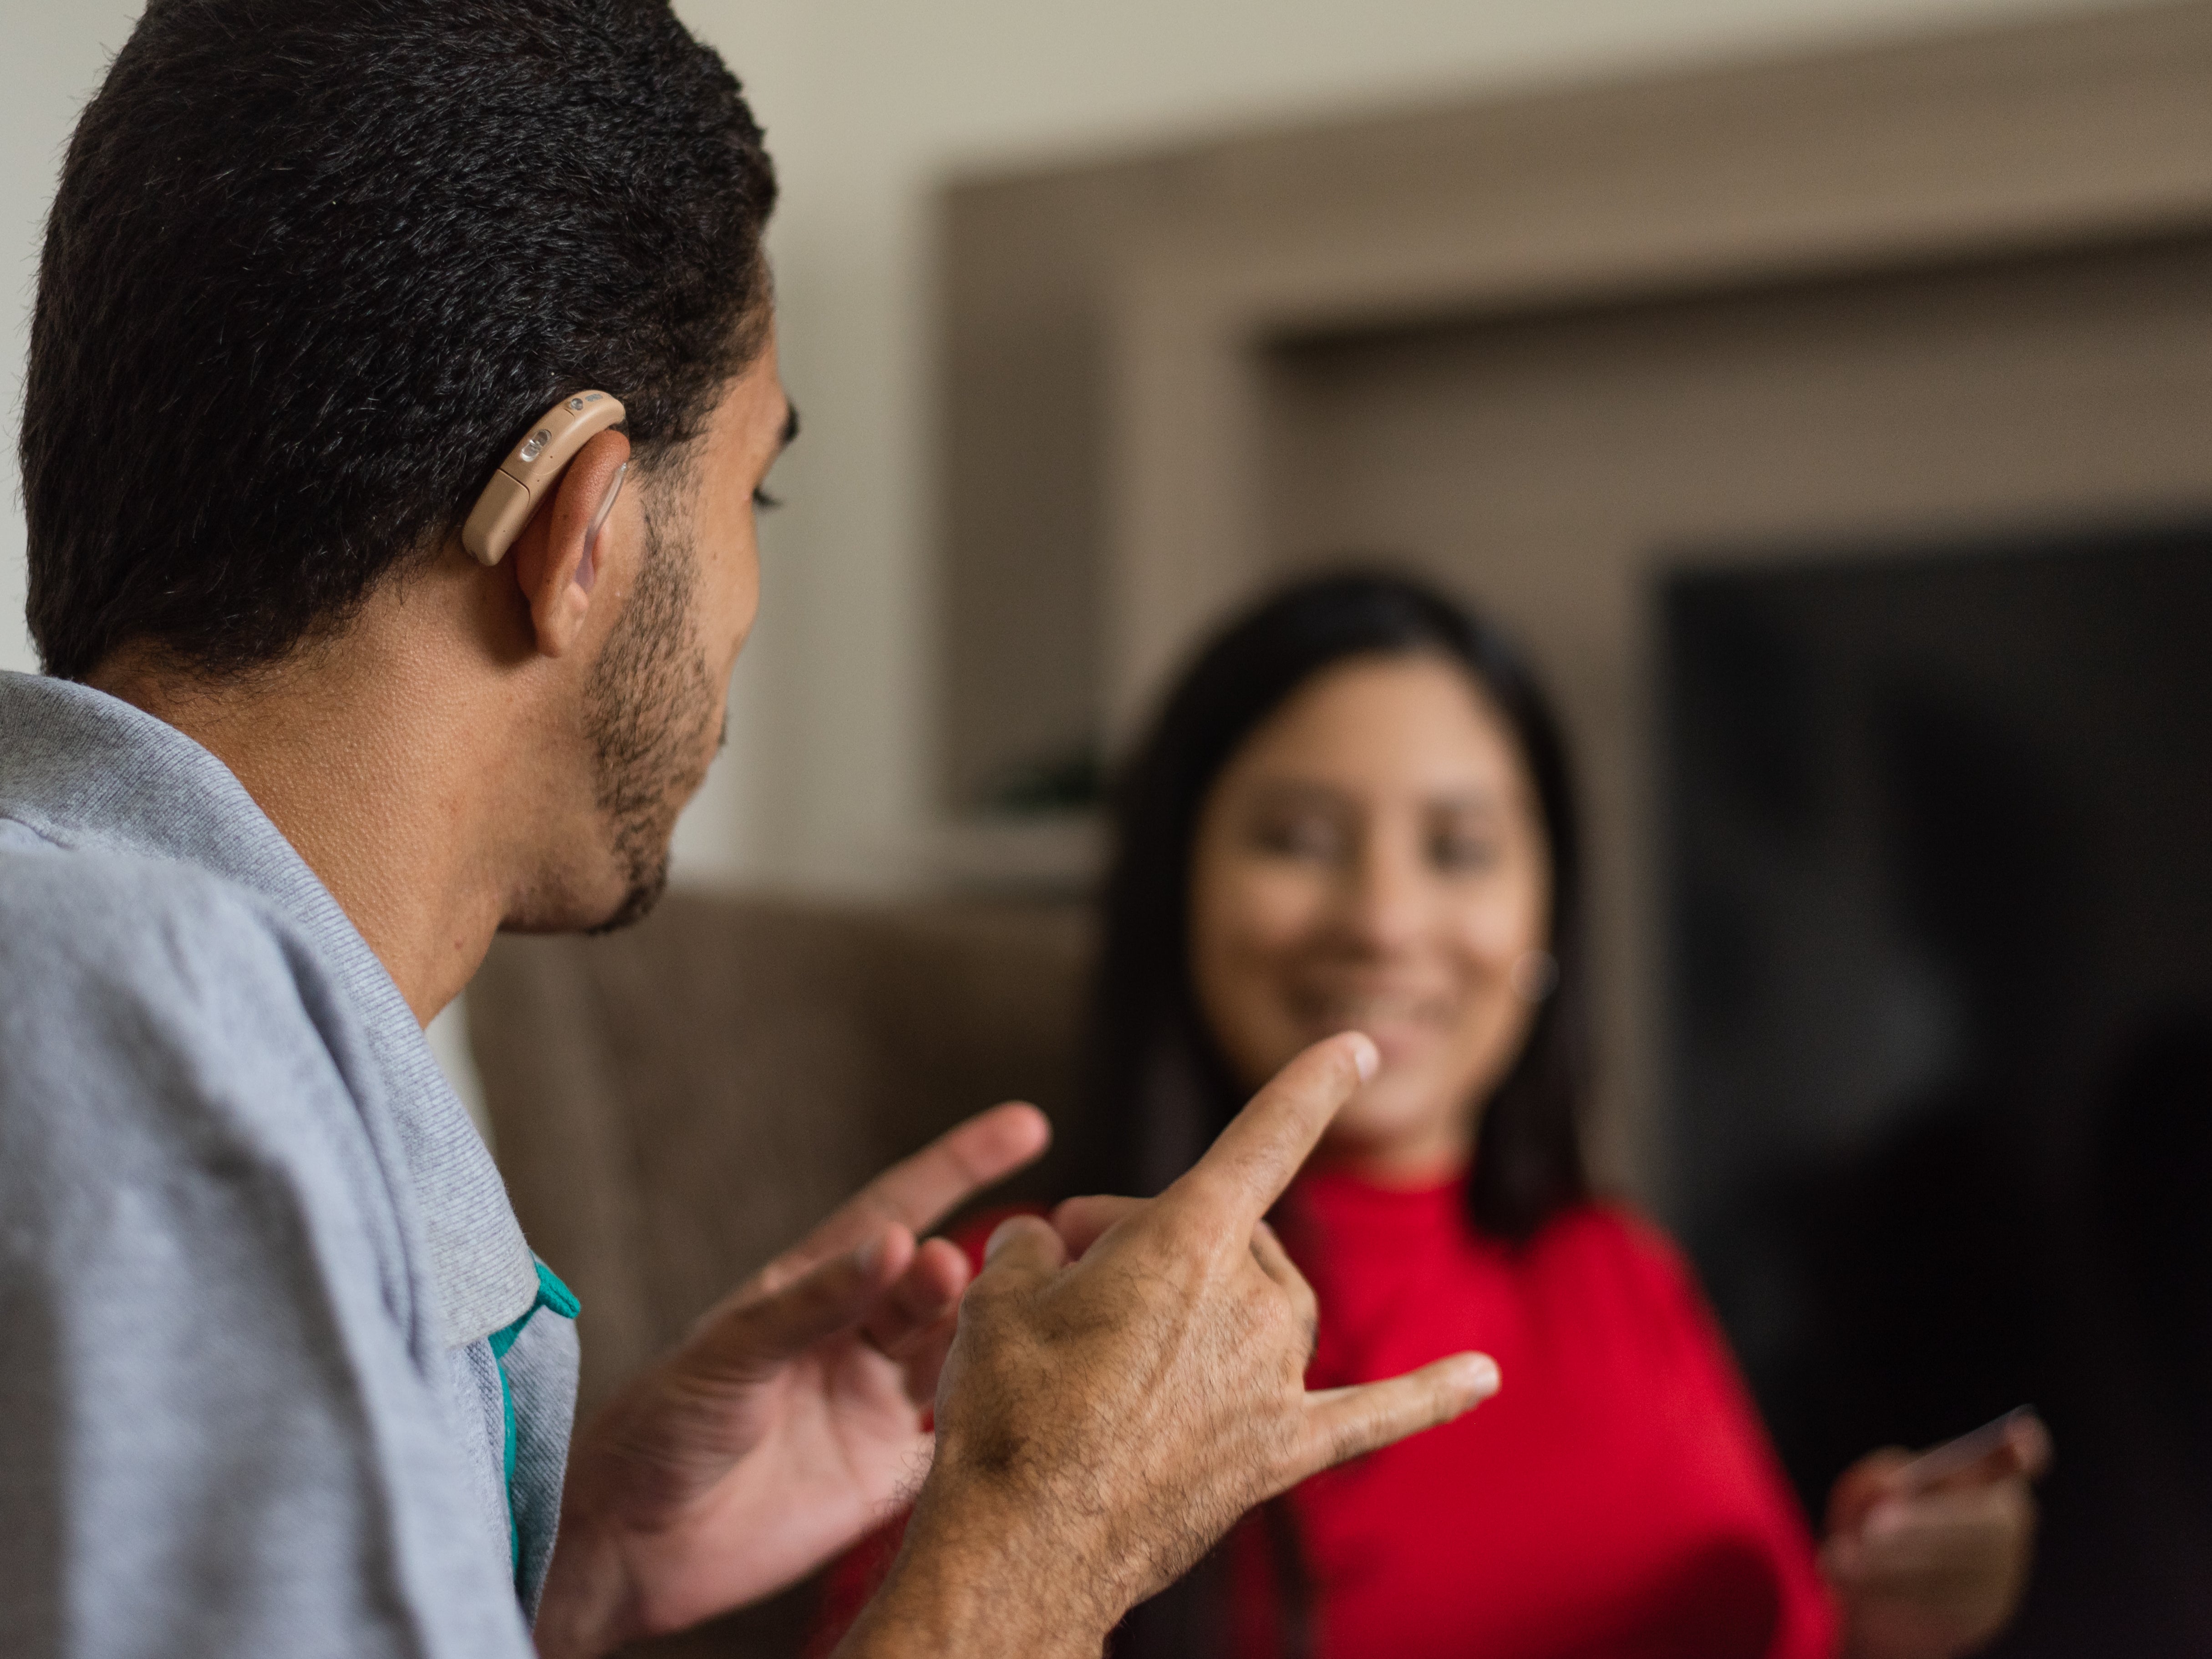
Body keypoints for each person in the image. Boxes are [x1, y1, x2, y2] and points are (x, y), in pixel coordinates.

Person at [0, 9, 1501, 1658]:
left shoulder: (117, 997)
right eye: (754, 495)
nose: (745, 604)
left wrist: (558, 1568)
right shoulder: (146, 1017)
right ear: (574, 526)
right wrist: (1035, 1550)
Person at [817, 571, 2049, 1659]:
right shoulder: (1030, 1296)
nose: (1386, 919)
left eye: (1458, 850)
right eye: (1299, 838)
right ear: (1175, 891)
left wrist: (1888, 1627)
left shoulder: (1619, 1274)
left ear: (1542, 921)